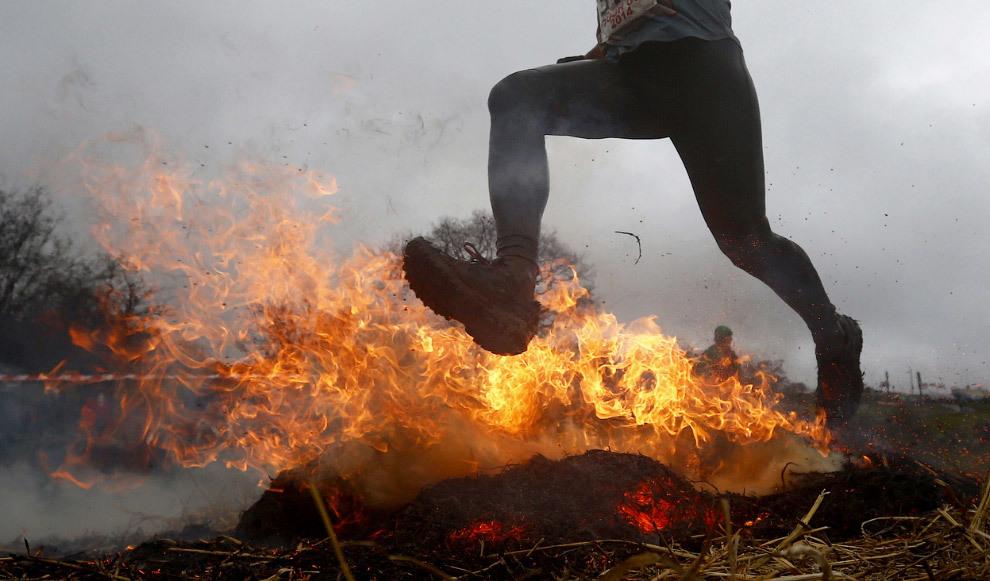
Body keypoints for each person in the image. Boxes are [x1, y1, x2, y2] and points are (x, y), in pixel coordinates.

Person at [402, 0, 863, 429]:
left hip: (705, 74)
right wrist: (601, 53)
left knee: (745, 241)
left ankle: (834, 336)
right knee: (517, 96)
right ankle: (512, 279)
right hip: (632, 76)